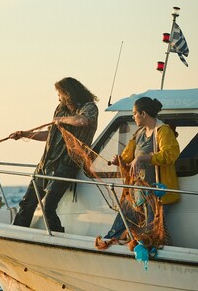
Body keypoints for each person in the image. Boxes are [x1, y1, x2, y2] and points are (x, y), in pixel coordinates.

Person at [10, 77, 99, 232]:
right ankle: (17, 233)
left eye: (60, 93)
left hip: (66, 165)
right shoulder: (60, 109)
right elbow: (49, 135)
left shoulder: (89, 107)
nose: (58, 97)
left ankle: (58, 237)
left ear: (68, 93)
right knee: (27, 203)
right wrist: (25, 134)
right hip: (45, 164)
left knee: (48, 206)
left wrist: (61, 120)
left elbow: (82, 121)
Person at [104, 97, 180, 240]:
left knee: (155, 233)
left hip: (156, 194)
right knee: (121, 224)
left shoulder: (163, 131)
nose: (133, 117)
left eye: (135, 113)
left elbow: (170, 155)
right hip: (136, 192)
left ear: (143, 114)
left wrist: (143, 158)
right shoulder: (139, 134)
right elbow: (127, 156)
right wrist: (118, 161)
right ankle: (110, 243)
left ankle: (162, 256)